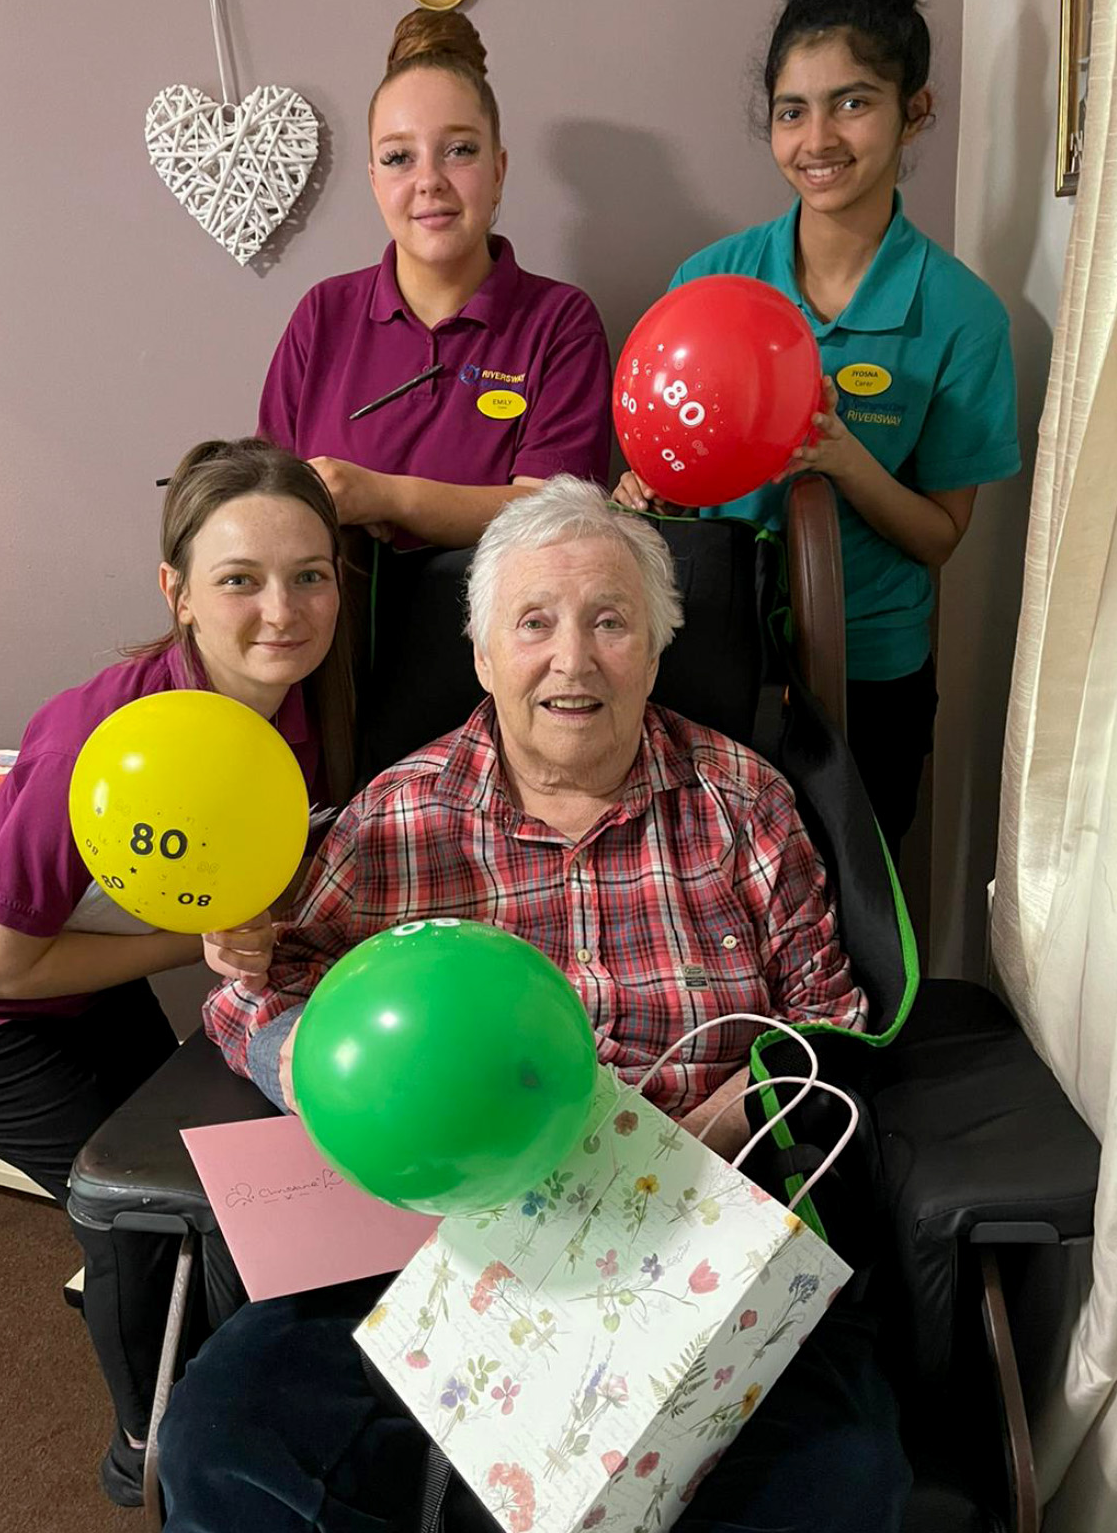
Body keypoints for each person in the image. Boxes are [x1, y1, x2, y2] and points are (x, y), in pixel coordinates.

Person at [156, 478, 910, 1533]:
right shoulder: (398, 813)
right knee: (226, 1437)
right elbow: (254, 1001)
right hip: (437, 1235)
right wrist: (329, 1081)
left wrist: (733, 1116)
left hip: (684, 1225)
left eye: (610, 622)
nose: (572, 659)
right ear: (481, 655)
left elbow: (829, 1019)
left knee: (837, 1478)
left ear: (657, 649)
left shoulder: (743, 800)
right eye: (534, 623)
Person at [0, 437, 355, 1506]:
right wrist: (198, 942)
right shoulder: (100, 737)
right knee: (129, 1208)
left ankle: (216, 1380)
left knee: (194, 1175)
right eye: (240, 580)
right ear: (179, 593)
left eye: (309, 575)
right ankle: (140, 1444)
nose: (282, 612)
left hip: (73, 972)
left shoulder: (299, 709)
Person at [615, 0, 1020, 857]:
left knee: (854, 902)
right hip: (708, 654)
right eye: (792, 111)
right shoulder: (709, 282)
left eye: (853, 103)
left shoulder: (963, 315)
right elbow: (674, 468)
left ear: (915, 111)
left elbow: (939, 537)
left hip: (870, 676)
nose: (818, 140)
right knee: (708, 893)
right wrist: (646, 495)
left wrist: (841, 455)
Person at [258, 9, 612, 552]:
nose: (429, 181)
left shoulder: (561, 322)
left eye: (459, 150)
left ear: (499, 171)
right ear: (374, 182)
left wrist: (386, 497)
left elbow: (556, 519)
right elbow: (269, 507)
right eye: (399, 157)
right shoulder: (322, 314)